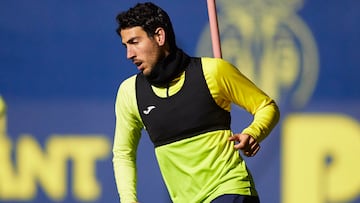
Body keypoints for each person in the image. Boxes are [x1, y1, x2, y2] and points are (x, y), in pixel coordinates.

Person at [112, 2, 280, 203]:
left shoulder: (214, 72)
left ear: (159, 36)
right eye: (126, 46)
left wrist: (253, 133)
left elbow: (266, 106)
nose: (129, 54)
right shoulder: (130, 92)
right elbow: (123, 153)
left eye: (135, 42)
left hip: (229, 189)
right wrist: (128, 200)